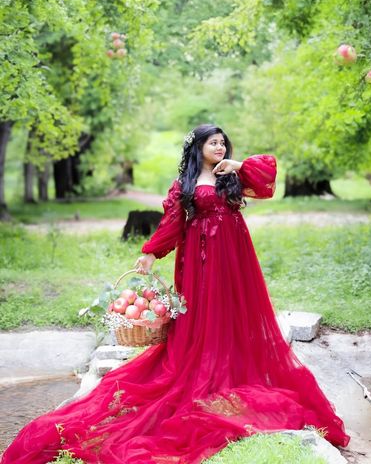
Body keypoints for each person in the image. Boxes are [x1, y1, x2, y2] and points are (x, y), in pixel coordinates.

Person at [1, 123, 350, 464]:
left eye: (222, 142)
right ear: (198, 148)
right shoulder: (185, 183)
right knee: (202, 311)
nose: (219, 148)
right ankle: (206, 362)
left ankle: (231, 360)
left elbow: (267, 177)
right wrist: (151, 253)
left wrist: (238, 164)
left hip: (235, 254)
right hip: (201, 256)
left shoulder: (231, 175)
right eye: (213, 143)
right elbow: (172, 222)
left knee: (233, 308)